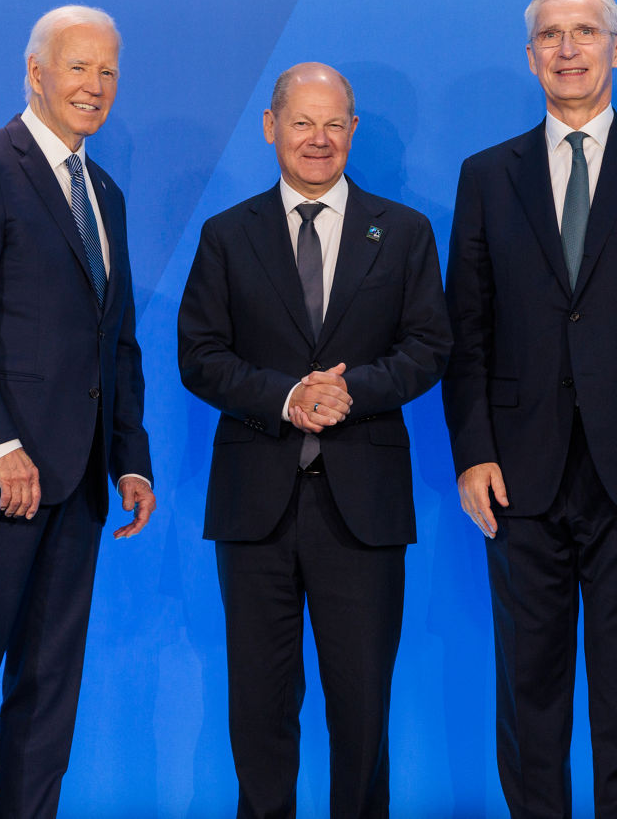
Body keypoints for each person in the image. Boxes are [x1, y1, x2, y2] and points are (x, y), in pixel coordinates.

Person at [442, 0, 617, 819]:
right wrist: (472, 453)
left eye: (585, 33)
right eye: (552, 37)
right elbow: (467, 328)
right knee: (528, 695)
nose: (569, 50)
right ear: (531, 58)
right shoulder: (487, 175)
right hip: (517, 478)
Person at [178, 62, 451, 819]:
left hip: (362, 507)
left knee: (361, 706)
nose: (318, 139)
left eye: (335, 123)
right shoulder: (227, 235)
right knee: (259, 707)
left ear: (354, 132)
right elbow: (199, 356)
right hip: (254, 508)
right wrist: (289, 397)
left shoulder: (402, 232)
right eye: (302, 122)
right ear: (271, 127)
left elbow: (430, 345)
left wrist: (347, 392)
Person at [0, 5, 155, 817]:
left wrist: (129, 456)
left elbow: (112, 337)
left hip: (78, 482)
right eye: (79, 67)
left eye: (108, 71)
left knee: (49, 693)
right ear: (36, 72)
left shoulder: (105, 192)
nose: (95, 86)